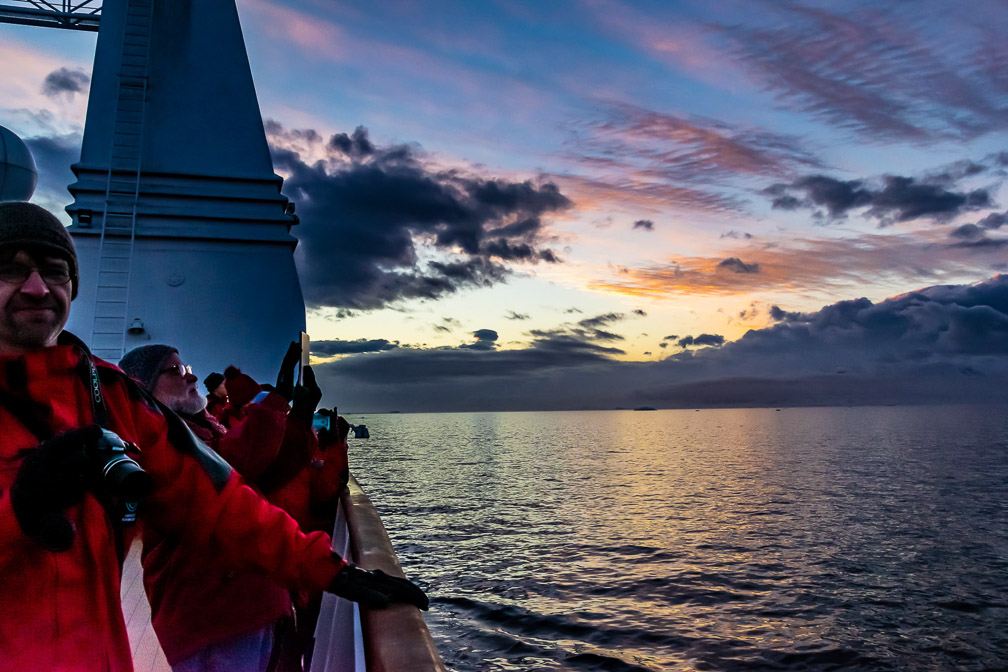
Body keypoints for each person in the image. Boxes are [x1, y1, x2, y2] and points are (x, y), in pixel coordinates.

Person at [0, 202, 427, 672]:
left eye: (55, 271)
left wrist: (334, 571)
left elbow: (220, 503)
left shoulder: (110, 397)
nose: (37, 288)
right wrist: (17, 507)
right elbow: (246, 460)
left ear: (72, 287)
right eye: (10, 270)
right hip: (200, 621)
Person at [119, 344, 301, 671]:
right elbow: (230, 471)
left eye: (186, 366)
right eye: (175, 371)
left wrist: (298, 420)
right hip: (213, 616)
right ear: (142, 385)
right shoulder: (161, 441)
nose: (192, 375)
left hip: (243, 604)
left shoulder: (202, 428)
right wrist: (275, 402)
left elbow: (265, 477)